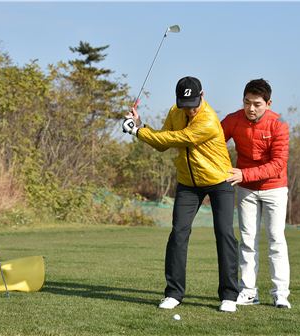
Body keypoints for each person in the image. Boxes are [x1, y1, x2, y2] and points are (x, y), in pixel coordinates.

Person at [122, 76, 239, 312]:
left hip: (218, 180)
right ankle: (174, 293)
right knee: (178, 234)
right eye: (185, 105)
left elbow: (179, 138)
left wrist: (138, 132)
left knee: (224, 233)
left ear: (202, 96)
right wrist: (141, 125)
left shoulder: (207, 119)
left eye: (194, 103)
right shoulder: (175, 112)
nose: (190, 109)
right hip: (188, 182)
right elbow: (162, 142)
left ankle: (229, 295)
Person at [221, 79, 291, 309]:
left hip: (275, 189)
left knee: (276, 240)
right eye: (247, 102)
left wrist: (243, 174)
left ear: (268, 103)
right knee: (248, 241)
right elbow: (212, 140)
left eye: (257, 104)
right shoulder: (233, 119)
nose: (251, 109)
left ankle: (280, 294)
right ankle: (248, 292)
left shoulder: (279, 125)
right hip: (246, 190)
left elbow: (278, 164)